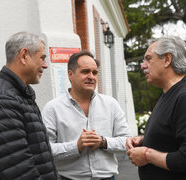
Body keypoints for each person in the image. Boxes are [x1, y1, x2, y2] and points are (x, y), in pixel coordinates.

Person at [42, 50, 132, 180]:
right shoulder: (53, 108)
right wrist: (76, 146)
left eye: (94, 72)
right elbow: (45, 149)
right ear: (70, 74)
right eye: (85, 72)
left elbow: (127, 141)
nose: (91, 76)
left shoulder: (111, 104)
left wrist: (103, 142)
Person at [126, 36, 186, 180]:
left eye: (148, 59)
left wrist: (147, 155)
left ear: (167, 59)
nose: (143, 66)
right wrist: (145, 140)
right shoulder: (169, 94)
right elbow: (172, 136)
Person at [0, 32, 58, 179]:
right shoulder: (2, 100)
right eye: (42, 57)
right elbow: (18, 171)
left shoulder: (20, 95)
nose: (45, 65)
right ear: (24, 56)